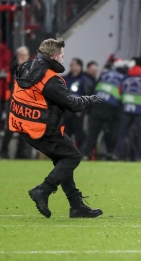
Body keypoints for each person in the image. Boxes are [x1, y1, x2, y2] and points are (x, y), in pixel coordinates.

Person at [8, 38, 103, 218]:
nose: (62, 60)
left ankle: (76, 206)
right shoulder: (50, 79)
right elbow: (72, 104)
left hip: (24, 125)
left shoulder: (27, 68)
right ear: (54, 56)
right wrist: (89, 100)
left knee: (63, 159)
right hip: (42, 129)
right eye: (62, 56)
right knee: (73, 156)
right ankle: (43, 190)